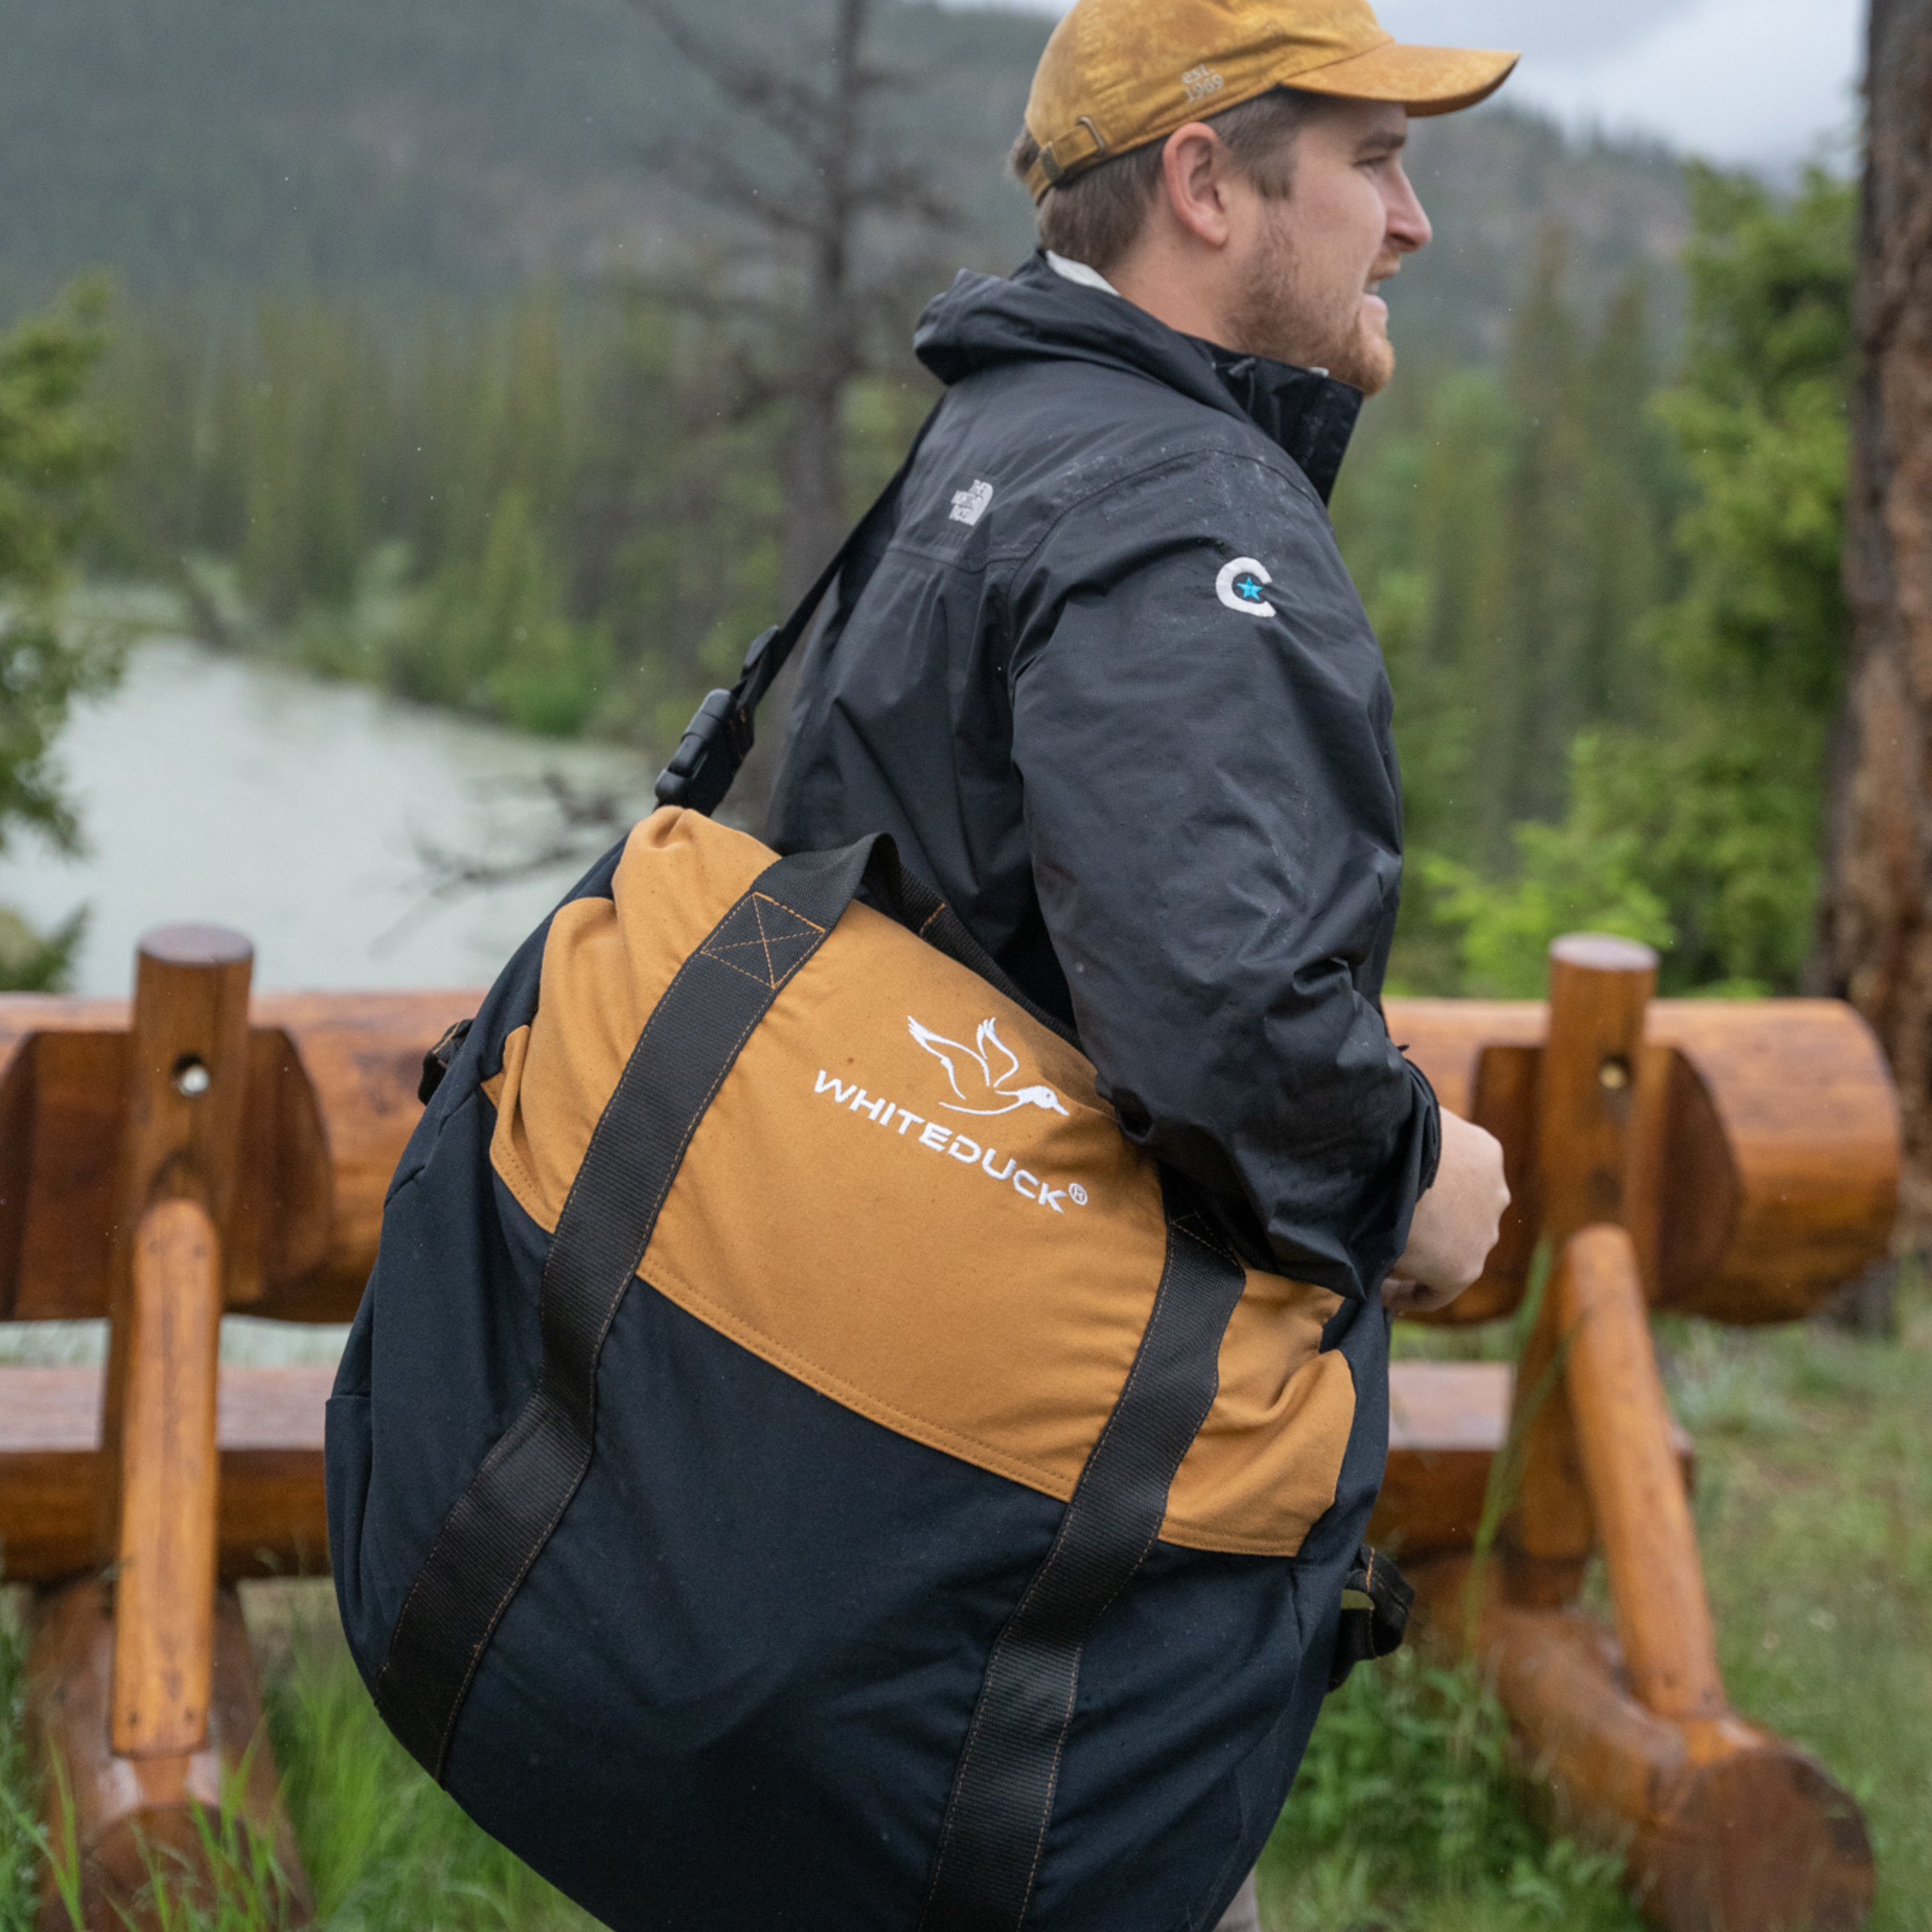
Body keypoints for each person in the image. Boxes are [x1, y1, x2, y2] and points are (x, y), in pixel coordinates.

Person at [768, 0, 1515, 1922]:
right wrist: (1417, 1181)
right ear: (1204, 182)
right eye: (1372, 162)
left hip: (866, 1463)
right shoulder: (1182, 508)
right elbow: (1223, 1024)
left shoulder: (994, 438)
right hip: (1032, 1524)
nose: (1412, 220)